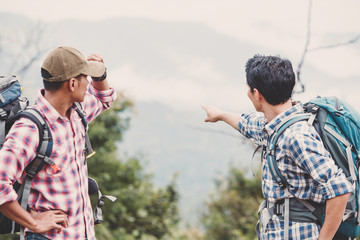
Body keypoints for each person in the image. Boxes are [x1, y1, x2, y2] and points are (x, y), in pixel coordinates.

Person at [202, 54, 353, 240]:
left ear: (257, 94)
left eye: (248, 88)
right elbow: (247, 124)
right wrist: (220, 114)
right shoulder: (276, 126)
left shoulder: (296, 136)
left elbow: (340, 189)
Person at [0, 46, 117, 240]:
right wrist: (33, 222)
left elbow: (103, 98)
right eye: (85, 78)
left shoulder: (77, 113)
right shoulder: (30, 128)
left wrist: (100, 76)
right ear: (72, 84)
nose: (88, 82)